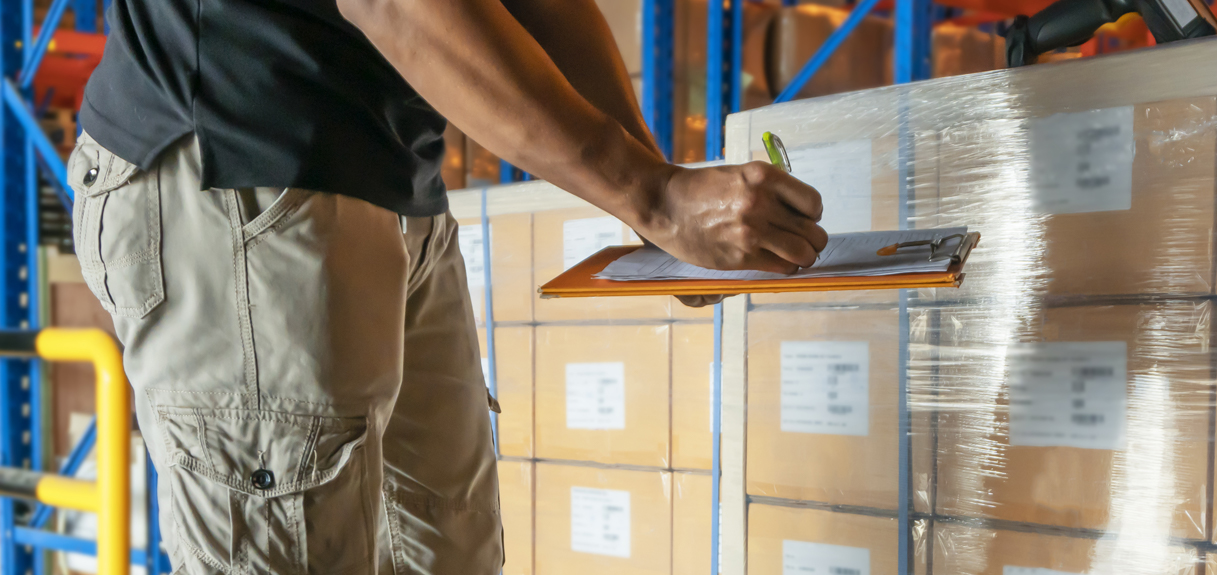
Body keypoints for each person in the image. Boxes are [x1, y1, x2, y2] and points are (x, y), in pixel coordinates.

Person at [69, 0, 827, 571]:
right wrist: (651, 195)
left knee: (451, 547)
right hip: (244, 162)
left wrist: (652, 194)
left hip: (390, 176)